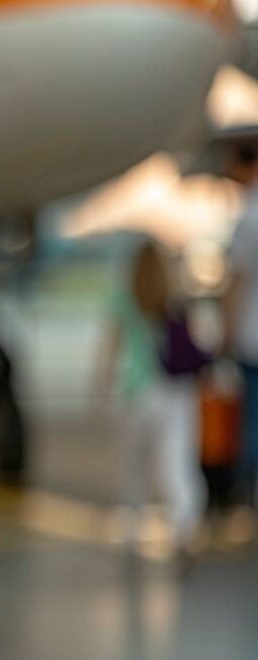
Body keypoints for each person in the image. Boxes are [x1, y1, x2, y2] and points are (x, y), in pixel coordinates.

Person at [96, 239, 206, 573]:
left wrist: (101, 386)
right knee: (176, 463)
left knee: (134, 464)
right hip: (174, 390)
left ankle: (132, 529)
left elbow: (112, 348)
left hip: (137, 391)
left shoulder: (124, 298)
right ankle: (183, 528)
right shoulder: (174, 299)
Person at [224, 142, 258, 510]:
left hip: (252, 337)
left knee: (251, 423)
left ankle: (247, 497)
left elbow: (237, 280)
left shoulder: (248, 217)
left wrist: (226, 332)